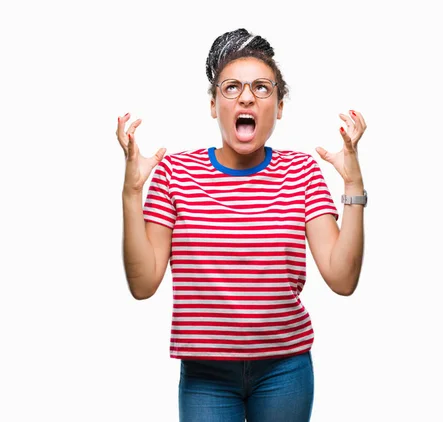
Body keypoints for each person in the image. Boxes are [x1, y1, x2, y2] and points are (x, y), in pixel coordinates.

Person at [116, 28, 367, 422]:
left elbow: (342, 278)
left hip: (286, 370)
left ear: (279, 106)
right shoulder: (175, 173)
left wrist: (353, 185)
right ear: (214, 105)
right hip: (206, 374)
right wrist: (132, 192)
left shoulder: (301, 172)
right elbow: (143, 284)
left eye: (262, 88)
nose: (246, 97)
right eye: (231, 87)